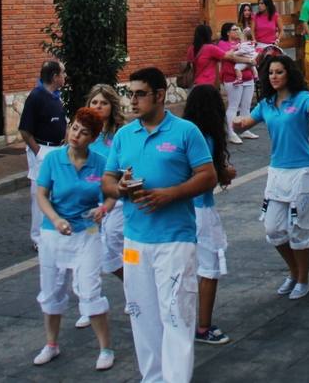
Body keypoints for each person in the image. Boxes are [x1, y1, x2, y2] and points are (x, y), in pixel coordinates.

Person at [103, 68, 218, 382]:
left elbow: (208, 176)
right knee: (142, 317)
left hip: (175, 241)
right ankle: (152, 378)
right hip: (135, 243)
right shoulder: (125, 135)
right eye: (130, 94)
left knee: (177, 317)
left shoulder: (185, 132)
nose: (133, 101)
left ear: (159, 95)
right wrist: (120, 188)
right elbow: (107, 180)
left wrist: (171, 194)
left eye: (140, 93)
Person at [231, 55, 309, 300]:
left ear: (289, 74)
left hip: (302, 172)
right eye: (271, 73)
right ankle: (294, 271)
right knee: (273, 229)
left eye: (279, 72)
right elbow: (245, 123)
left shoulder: (302, 99)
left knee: (299, 230)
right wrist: (234, 122)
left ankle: (303, 279)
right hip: (277, 173)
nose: (274, 77)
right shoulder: (266, 104)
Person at [32, 108, 116, 371]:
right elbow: (42, 195)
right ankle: (51, 344)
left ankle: (105, 347)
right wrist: (56, 220)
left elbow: (112, 194)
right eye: (75, 128)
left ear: (93, 138)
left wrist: (104, 209)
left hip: (87, 233)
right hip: (54, 233)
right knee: (52, 289)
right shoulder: (53, 159)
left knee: (90, 289)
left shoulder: (101, 163)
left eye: (84, 132)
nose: (76, 135)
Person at [182, 86, 237, 346]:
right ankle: (203, 326)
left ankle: (179, 321)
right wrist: (227, 173)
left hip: (179, 210)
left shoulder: (182, 133)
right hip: (201, 210)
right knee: (209, 268)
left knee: (182, 270)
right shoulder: (208, 137)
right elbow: (211, 176)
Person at [80, 83, 127, 335]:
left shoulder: (120, 134)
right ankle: (89, 305)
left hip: (116, 202)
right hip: (89, 204)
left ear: (112, 106)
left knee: (114, 250)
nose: (98, 107)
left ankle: (134, 287)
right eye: (94, 102)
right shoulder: (83, 132)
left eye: (103, 103)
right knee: (87, 254)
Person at [20, 61, 68, 250]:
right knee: (40, 192)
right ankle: (38, 237)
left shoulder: (56, 96)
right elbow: (24, 130)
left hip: (56, 149)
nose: (65, 76)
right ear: (55, 76)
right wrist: (38, 152)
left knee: (56, 192)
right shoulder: (36, 96)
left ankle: (52, 229)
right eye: (63, 73)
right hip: (43, 149)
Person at [220, 23, 259, 143]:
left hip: (248, 77)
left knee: (246, 105)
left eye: (238, 29)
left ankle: (244, 128)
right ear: (227, 32)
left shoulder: (243, 42)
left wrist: (253, 59)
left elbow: (253, 52)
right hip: (232, 78)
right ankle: (231, 132)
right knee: (233, 106)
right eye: (234, 29)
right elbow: (231, 57)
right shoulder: (223, 44)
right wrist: (249, 60)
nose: (237, 31)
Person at [186, 24, 229, 89]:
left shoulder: (191, 48)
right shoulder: (210, 48)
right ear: (208, 34)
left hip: (195, 84)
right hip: (208, 83)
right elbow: (228, 56)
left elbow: (190, 63)